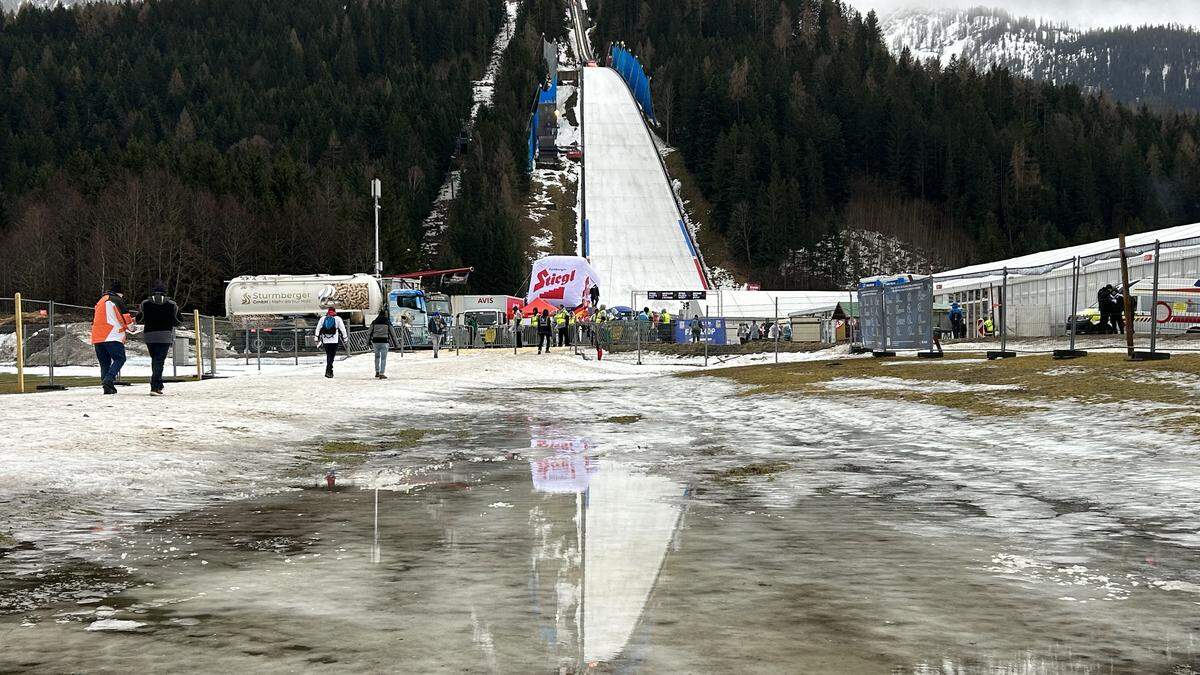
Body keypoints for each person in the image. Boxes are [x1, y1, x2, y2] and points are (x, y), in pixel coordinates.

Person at [91, 281, 135, 395]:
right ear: (119, 293)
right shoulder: (117, 300)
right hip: (112, 335)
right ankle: (109, 379)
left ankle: (107, 387)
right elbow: (126, 318)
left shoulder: (101, 301)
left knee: (104, 363)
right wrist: (132, 328)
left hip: (97, 336)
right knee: (120, 358)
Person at [138, 280, 182, 396]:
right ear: (164, 293)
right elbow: (179, 321)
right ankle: (154, 387)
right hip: (164, 335)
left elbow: (139, 319)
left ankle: (159, 383)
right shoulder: (172, 305)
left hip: (149, 336)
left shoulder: (145, 303)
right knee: (159, 361)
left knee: (155, 360)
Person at [315, 308, 348, 377]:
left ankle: (329, 371)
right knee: (331, 356)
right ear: (334, 312)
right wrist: (345, 339)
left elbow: (318, 328)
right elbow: (343, 329)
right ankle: (329, 371)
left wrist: (316, 338)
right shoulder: (338, 319)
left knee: (329, 355)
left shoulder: (323, 318)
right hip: (334, 340)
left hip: (325, 340)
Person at [369, 309, 396, 379]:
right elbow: (393, 333)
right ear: (385, 314)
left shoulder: (374, 322)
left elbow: (369, 332)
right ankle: (382, 373)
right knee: (383, 358)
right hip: (384, 341)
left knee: (376, 357)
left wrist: (368, 342)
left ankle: (377, 372)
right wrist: (396, 344)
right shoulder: (387, 322)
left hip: (375, 341)